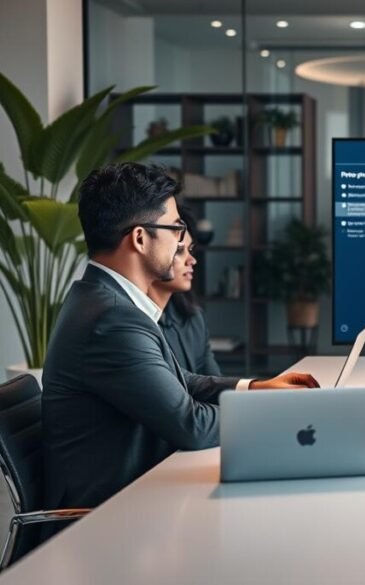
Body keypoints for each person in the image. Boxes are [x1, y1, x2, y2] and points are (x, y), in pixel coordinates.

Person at [43, 163, 319, 511]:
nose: (181, 243)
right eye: (175, 229)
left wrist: (257, 388)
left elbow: (180, 382)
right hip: (110, 514)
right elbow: (192, 426)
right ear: (140, 238)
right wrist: (278, 413)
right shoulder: (111, 318)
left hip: (136, 494)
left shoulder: (101, 299)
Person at [149, 207, 222, 376]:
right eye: (179, 251)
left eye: (191, 250)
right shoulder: (135, 323)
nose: (192, 260)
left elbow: (216, 385)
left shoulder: (194, 319)